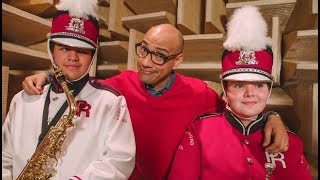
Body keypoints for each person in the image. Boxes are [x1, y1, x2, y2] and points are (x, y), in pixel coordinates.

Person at [21, 22, 289, 179]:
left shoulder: (200, 94)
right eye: (144, 50)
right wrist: (47, 75)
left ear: (178, 60)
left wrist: (272, 117)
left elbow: (240, 107)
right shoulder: (118, 86)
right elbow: (78, 85)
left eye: (159, 55)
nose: (146, 62)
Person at [167, 5, 312, 180]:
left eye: (259, 85)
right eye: (239, 85)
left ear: (269, 89)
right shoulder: (199, 132)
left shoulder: (292, 143)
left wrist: (273, 116)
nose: (250, 93)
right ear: (225, 89)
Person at [2, 0, 135, 179]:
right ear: (51, 50)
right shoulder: (22, 98)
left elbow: (120, 161)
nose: (72, 57)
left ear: (92, 56)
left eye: (82, 51)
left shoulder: (110, 102)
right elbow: (5, 157)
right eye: (64, 48)